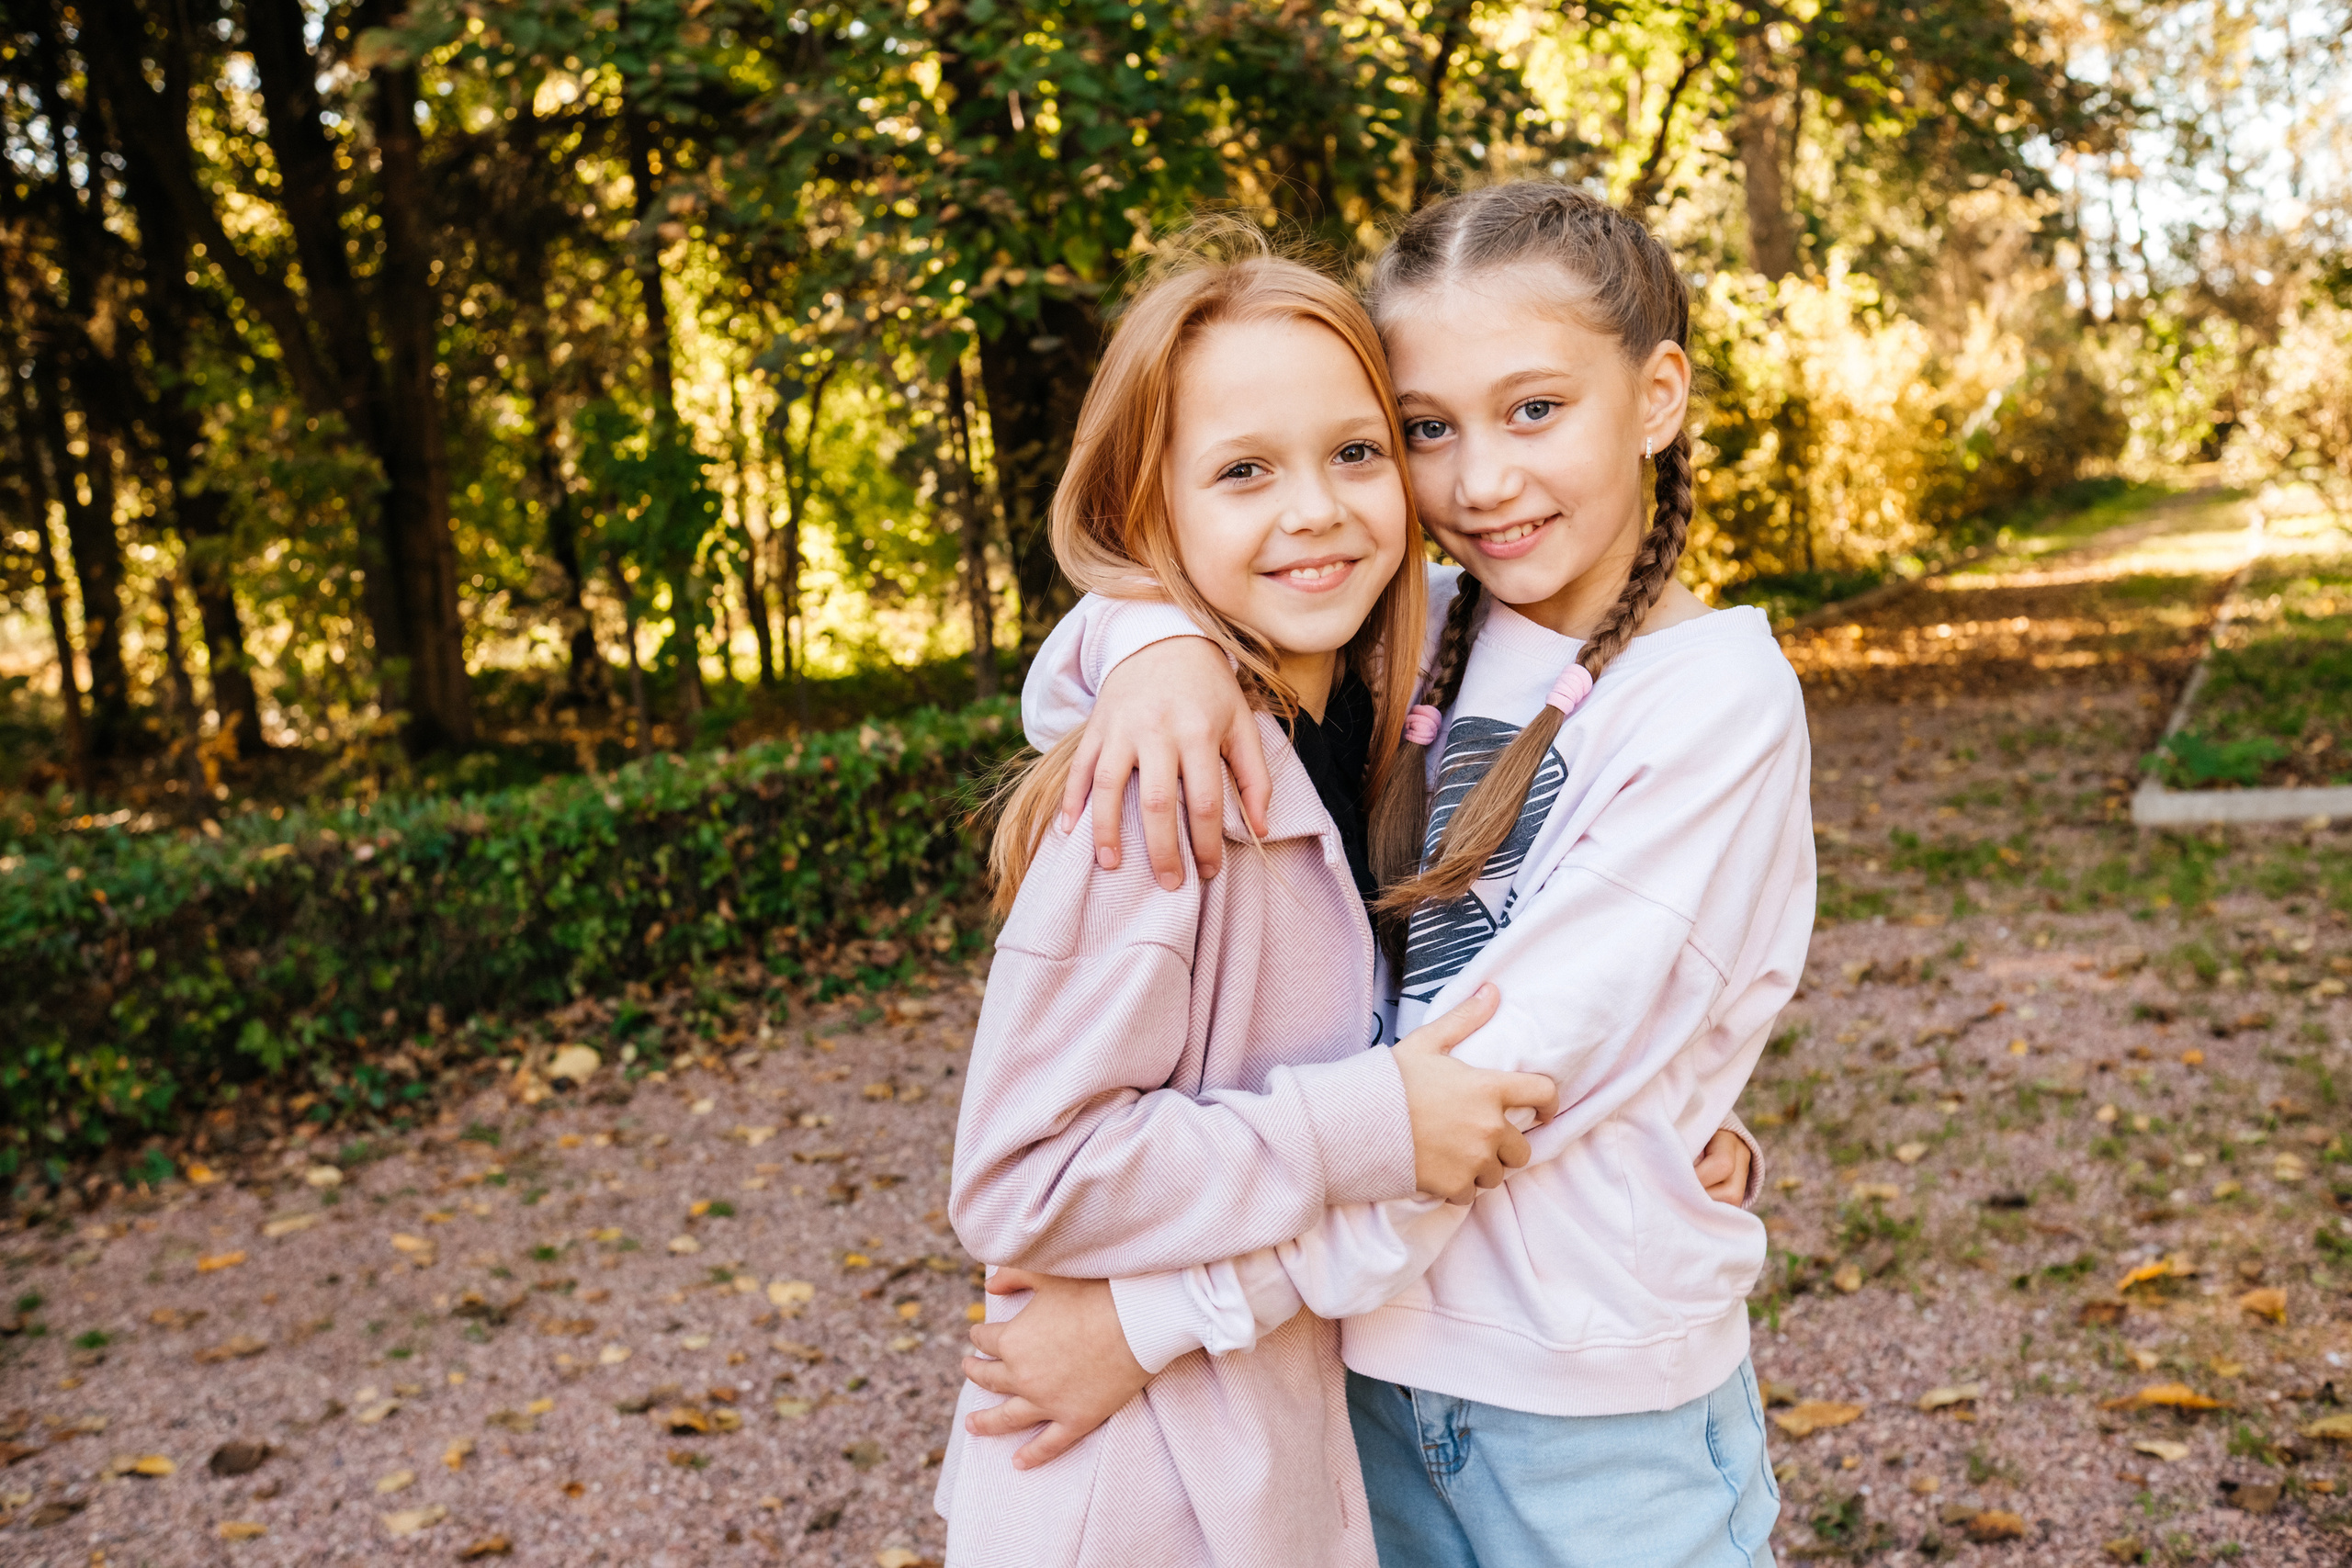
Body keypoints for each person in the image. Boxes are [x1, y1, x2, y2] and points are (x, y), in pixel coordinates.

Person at [982, 183, 1813, 1567]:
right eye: (1429, 429)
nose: (1479, 480)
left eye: (1534, 410)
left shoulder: (1713, 700)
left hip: (1583, 1412)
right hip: (1351, 1381)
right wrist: (1151, 655)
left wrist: (1152, 1319)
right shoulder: (1412, 627)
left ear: (1658, 394)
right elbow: (1125, 624)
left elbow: (1500, 1097)